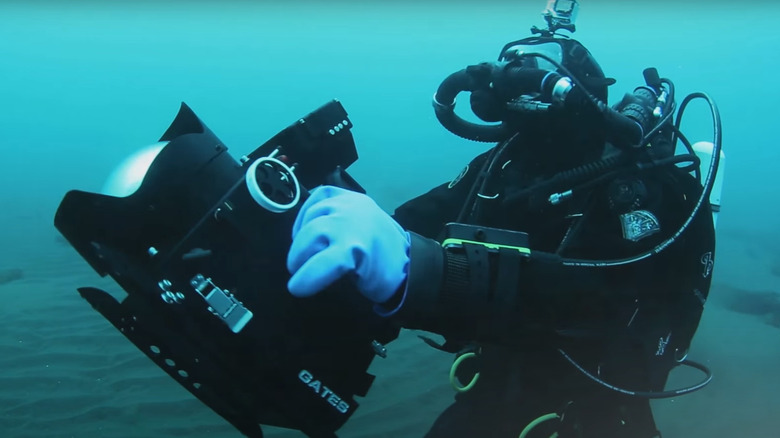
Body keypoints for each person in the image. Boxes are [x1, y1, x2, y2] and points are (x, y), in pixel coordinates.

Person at [285, 10, 720, 438]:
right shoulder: (504, 162)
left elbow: (600, 303)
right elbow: (411, 223)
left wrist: (423, 275)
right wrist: (324, 203)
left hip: (593, 412)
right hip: (495, 389)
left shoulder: (635, 188)